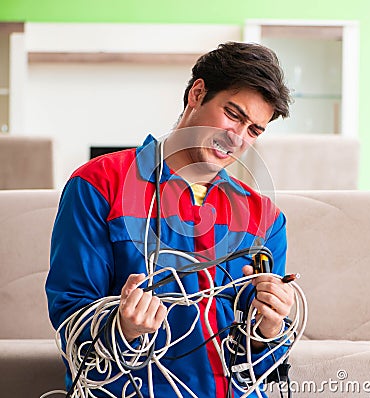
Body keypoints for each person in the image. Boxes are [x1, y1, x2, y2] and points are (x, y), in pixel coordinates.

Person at [46, 41, 294, 398]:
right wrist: (123, 328)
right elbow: (70, 315)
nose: (237, 139)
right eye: (233, 115)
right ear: (197, 93)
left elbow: (258, 367)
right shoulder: (100, 184)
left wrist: (269, 329)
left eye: (254, 130)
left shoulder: (265, 217)